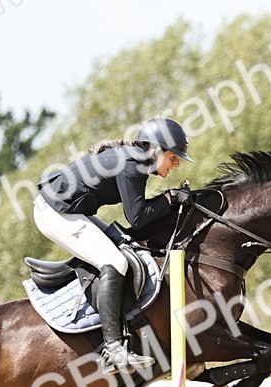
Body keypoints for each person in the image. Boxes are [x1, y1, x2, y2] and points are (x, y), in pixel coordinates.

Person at [34, 117, 193, 373]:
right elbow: (137, 217)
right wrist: (169, 198)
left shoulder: (133, 158)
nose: (176, 164)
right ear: (155, 150)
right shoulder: (134, 163)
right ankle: (113, 350)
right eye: (173, 157)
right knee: (115, 261)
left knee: (124, 245)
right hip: (55, 212)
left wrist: (168, 200)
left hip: (67, 210)